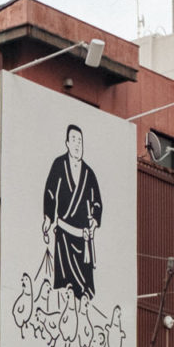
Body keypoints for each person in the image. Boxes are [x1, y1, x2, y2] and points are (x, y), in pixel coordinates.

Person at [41, 123, 104, 302]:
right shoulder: (59, 165)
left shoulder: (89, 173)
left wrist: (94, 221)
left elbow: (97, 202)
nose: (78, 144)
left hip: (83, 238)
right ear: (67, 143)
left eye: (80, 141)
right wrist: (48, 217)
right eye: (74, 140)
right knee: (65, 285)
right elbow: (50, 192)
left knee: (83, 288)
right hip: (64, 235)